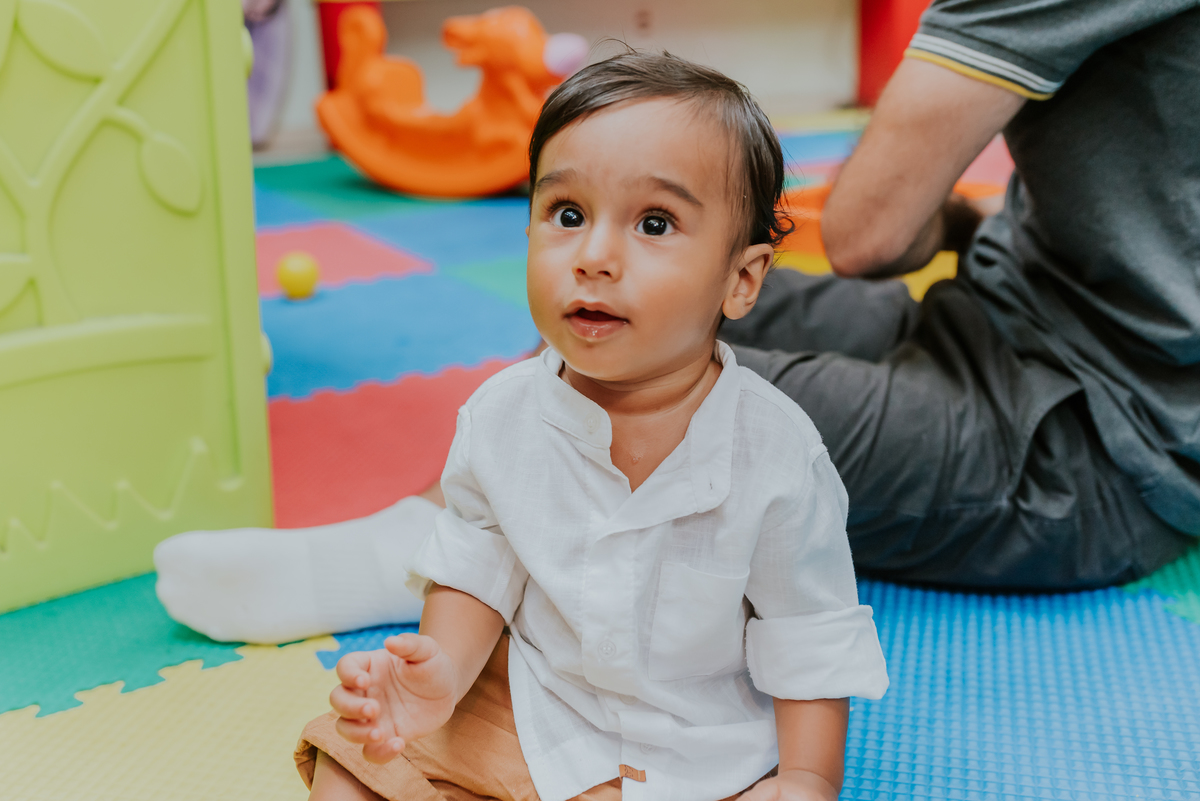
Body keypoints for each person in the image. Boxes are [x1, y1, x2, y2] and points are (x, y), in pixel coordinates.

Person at [155, 0, 1200, 643]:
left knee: (685, 406)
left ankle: (420, 564)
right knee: (617, 317)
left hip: (1100, 441)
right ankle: (450, 525)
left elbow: (869, 230)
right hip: (991, 318)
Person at [290, 53, 888, 801]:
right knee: (352, 768)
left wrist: (805, 778)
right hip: (539, 706)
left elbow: (809, 634)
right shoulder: (501, 414)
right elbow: (477, 566)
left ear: (742, 278)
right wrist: (438, 675)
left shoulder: (777, 453)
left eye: (655, 223)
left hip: (701, 747)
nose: (594, 257)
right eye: (567, 214)